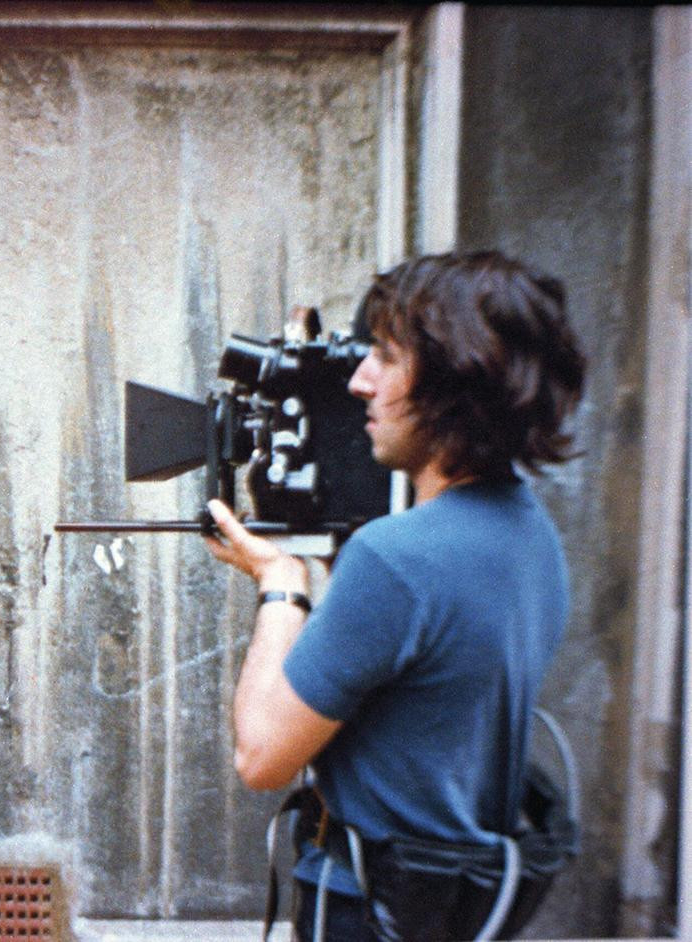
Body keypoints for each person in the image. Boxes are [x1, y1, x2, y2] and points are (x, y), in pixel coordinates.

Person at [205, 251, 586, 939]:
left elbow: (261, 757)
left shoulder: (395, 559)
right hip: (459, 911)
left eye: (384, 356)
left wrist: (281, 586)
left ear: (452, 382)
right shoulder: (533, 536)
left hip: (367, 913)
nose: (358, 380)